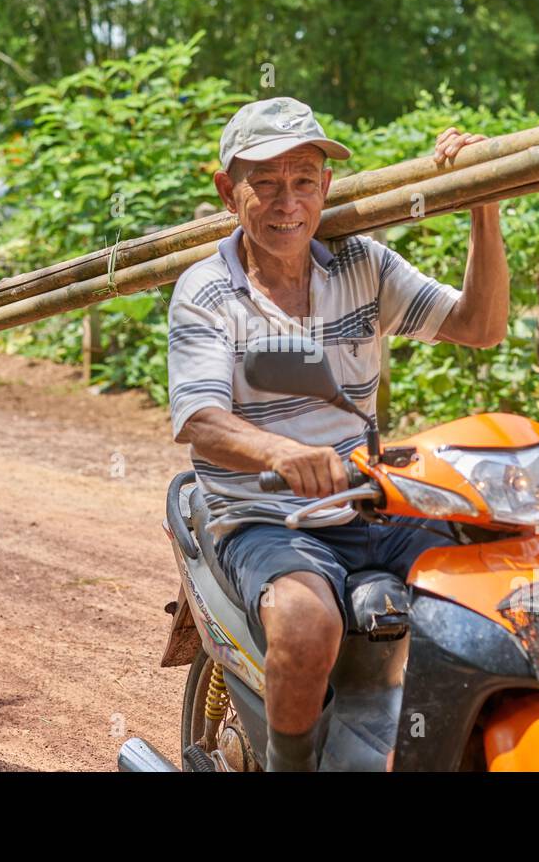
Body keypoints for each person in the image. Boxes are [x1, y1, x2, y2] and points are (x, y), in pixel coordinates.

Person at [167, 96, 509, 770]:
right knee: (305, 620)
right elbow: (199, 420)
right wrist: (286, 454)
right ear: (226, 190)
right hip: (265, 513)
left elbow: (480, 326)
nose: (286, 201)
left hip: (371, 498)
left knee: (486, 587)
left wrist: (484, 204)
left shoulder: (363, 265)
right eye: (263, 182)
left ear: (325, 185)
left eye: (302, 181)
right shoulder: (205, 290)